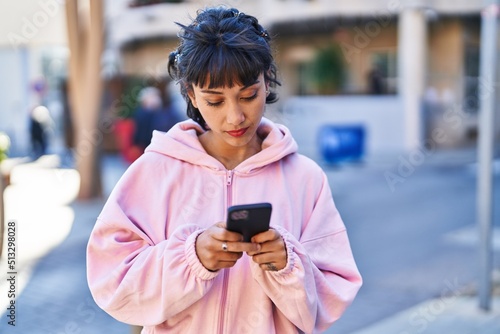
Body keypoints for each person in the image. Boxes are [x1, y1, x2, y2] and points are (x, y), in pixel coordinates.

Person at [87, 6, 362, 333]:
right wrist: (190, 259)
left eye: (248, 95)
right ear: (191, 93)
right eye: (215, 101)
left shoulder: (306, 179)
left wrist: (288, 264)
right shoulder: (154, 171)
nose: (235, 117)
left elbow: (331, 299)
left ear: (267, 79)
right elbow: (111, 282)